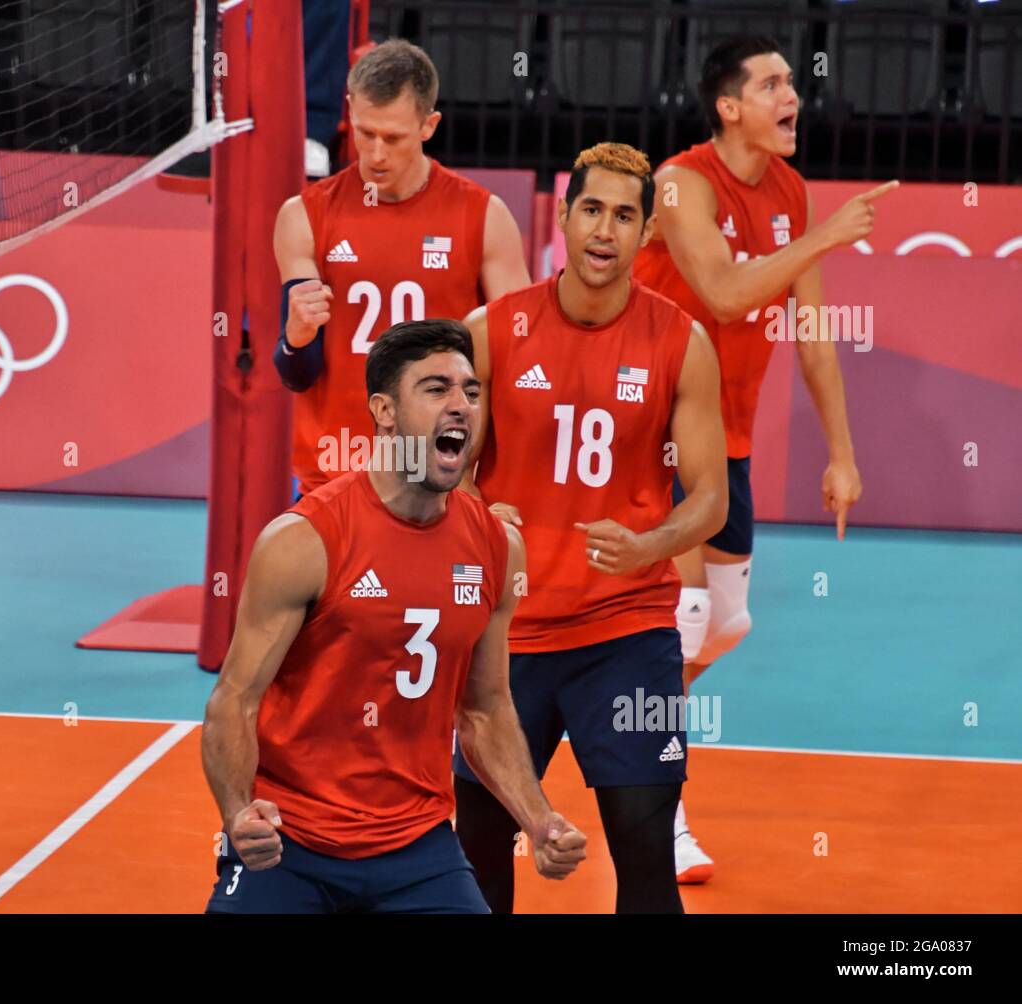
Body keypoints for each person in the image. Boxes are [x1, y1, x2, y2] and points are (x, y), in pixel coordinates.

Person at [204, 319, 587, 913]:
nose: (461, 405)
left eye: (471, 392)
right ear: (384, 411)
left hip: (416, 849)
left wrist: (539, 822)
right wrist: (237, 814)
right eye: (436, 389)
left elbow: (484, 708)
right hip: (293, 841)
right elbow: (236, 698)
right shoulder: (305, 541)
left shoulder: (495, 547)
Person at [633, 35, 893, 882]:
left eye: (793, 83)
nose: (795, 96)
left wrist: (842, 454)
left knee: (726, 623)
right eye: (774, 84)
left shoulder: (789, 189)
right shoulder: (680, 183)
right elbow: (723, 291)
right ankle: (659, 816)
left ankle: (606, 708)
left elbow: (811, 334)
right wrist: (823, 241)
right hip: (655, 430)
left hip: (728, 441)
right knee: (681, 624)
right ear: (729, 106)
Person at [451, 143, 728, 914]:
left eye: (626, 215)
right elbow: (442, 464)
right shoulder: (492, 330)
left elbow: (710, 498)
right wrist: (472, 510)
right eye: (593, 210)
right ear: (565, 218)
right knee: (477, 844)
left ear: (646, 234)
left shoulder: (681, 342)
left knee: (644, 839)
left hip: (626, 629)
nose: (606, 230)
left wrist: (650, 546)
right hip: (507, 637)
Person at [273, 38, 530, 496]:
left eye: (393, 138)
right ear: (349, 108)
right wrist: (295, 338)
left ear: (429, 125)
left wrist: (481, 471)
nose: (375, 154)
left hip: (436, 474)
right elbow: (297, 372)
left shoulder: (483, 217)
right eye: (364, 132)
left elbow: (516, 365)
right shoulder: (304, 215)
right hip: (336, 470)